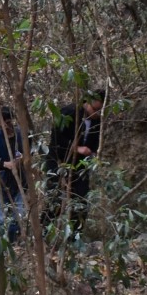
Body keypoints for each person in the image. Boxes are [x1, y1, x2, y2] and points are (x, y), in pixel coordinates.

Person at [48, 91, 102, 235]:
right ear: (87, 102)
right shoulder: (69, 112)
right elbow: (55, 140)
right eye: (95, 109)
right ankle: (44, 234)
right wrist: (76, 148)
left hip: (81, 166)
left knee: (81, 200)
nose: (97, 113)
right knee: (55, 200)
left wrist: (93, 155)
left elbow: (94, 143)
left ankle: (74, 237)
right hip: (59, 161)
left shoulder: (97, 121)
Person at [0, 106, 28, 242]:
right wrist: (4, 164)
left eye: (8, 121)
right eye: (2, 122)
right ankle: (4, 245)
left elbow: (29, 152)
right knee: (1, 218)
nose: (6, 125)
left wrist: (22, 159)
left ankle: (14, 241)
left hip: (19, 181)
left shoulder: (20, 135)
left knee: (18, 215)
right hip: (1, 183)